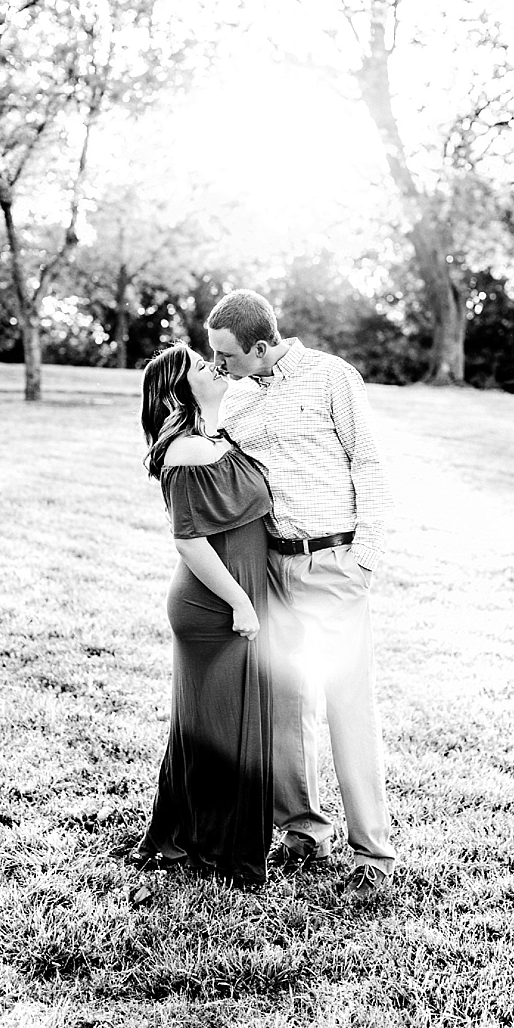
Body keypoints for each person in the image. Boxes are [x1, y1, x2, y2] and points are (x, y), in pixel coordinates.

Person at [205, 288, 397, 902]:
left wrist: (365, 557)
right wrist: (212, 409)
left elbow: (369, 464)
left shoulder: (331, 379)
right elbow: (208, 461)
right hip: (275, 569)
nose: (219, 366)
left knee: (347, 704)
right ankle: (304, 831)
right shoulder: (234, 396)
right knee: (286, 705)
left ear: (262, 346)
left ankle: (372, 850)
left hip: (335, 562)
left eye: (227, 355)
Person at [129, 342, 275, 887]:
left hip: (236, 596)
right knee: (223, 727)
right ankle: (214, 847)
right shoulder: (186, 450)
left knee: (216, 723)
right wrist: (239, 602)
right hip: (213, 603)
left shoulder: (211, 438)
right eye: (199, 366)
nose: (212, 367)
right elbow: (189, 542)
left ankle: (193, 835)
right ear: (178, 389)